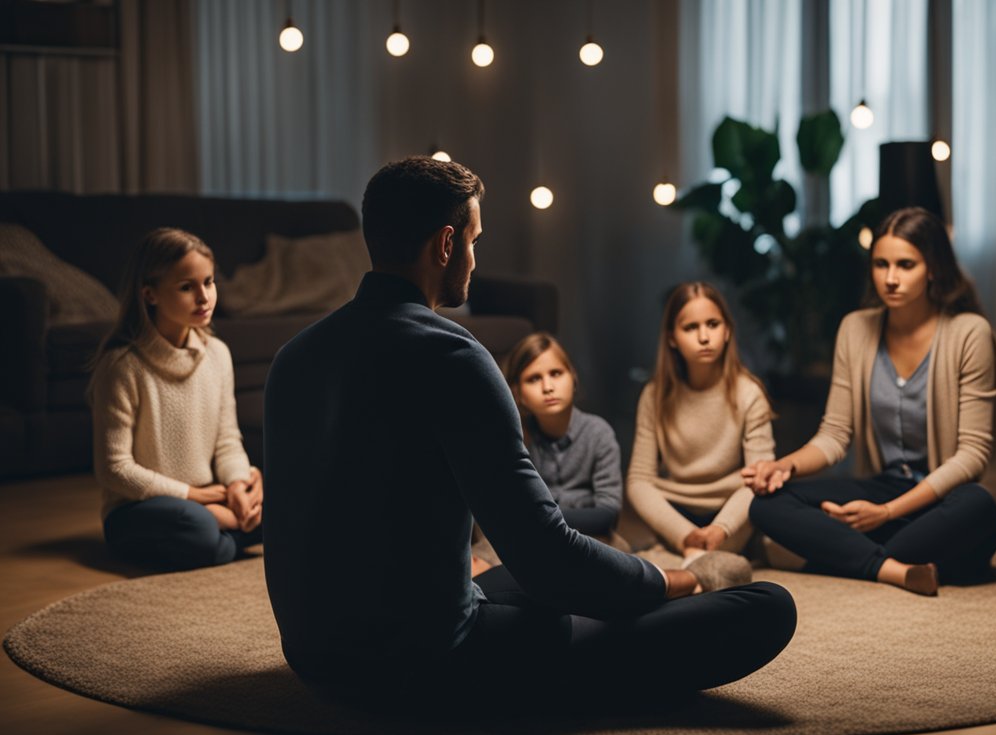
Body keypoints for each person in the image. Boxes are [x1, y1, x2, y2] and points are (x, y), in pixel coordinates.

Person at [263, 157, 795, 703]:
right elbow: (546, 557)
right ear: (446, 245)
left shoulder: (294, 357)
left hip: (314, 655)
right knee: (767, 607)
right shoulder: (453, 355)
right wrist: (670, 581)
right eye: (473, 240)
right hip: (424, 661)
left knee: (513, 583)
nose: (473, 258)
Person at [745, 207, 996, 596]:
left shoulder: (969, 333)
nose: (891, 278)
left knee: (980, 508)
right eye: (881, 264)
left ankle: (842, 556)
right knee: (766, 504)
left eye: (906, 265)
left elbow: (972, 455)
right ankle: (891, 567)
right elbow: (834, 434)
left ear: (932, 267)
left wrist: (885, 514)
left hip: (939, 501)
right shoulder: (855, 328)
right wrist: (783, 466)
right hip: (883, 487)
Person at [90, 228, 264, 571]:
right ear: (150, 294)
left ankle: (225, 528)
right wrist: (195, 497)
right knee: (197, 526)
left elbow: (227, 440)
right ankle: (224, 531)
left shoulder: (218, 354)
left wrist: (238, 485)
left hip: (208, 498)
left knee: (280, 497)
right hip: (140, 510)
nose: (204, 297)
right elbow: (114, 469)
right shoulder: (123, 366)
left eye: (209, 282)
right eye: (187, 287)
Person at [626, 281, 775, 578]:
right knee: (636, 563)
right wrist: (684, 534)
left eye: (713, 324)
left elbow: (761, 476)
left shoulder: (749, 393)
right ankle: (696, 562)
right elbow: (639, 481)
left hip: (730, 513)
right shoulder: (654, 396)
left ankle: (701, 563)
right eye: (690, 328)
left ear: (728, 331)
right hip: (677, 512)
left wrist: (721, 529)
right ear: (671, 339)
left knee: (768, 501)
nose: (704, 337)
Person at [503, 332, 621, 540]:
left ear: (573, 378)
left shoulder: (598, 433)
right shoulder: (516, 440)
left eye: (556, 373)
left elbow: (608, 514)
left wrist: (541, 518)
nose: (548, 387)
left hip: (592, 536)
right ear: (518, 393)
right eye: (534, 379)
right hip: (531, 538)